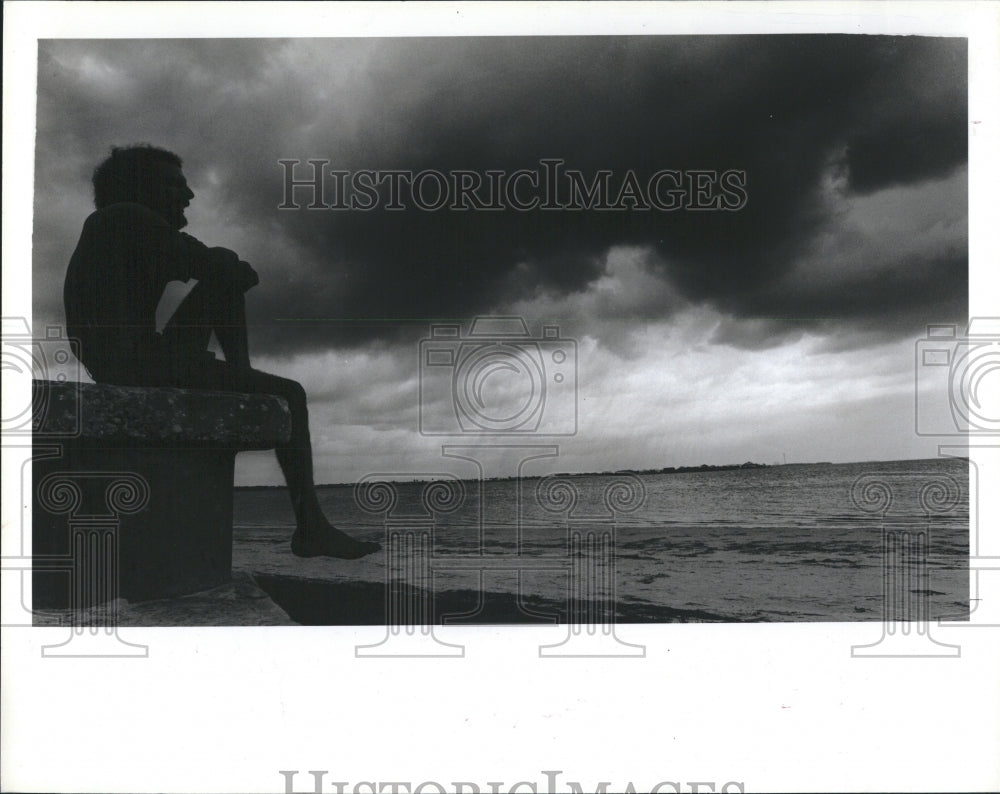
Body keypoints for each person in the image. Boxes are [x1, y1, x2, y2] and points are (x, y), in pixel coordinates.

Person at [64, 144, 380, 560]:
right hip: (137, 364)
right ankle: (310, 528)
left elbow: (214, 268)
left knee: (224, 266)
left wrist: (226, 272)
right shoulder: (125, 216)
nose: (190, 194)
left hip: (138, 358)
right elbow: (220, 265)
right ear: (139, 188)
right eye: (176, 184)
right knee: (292, 393)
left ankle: (241, 379)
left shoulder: (121, 226)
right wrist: (228, 273)